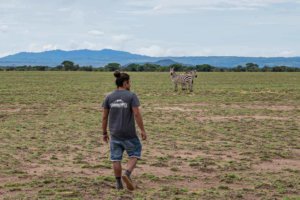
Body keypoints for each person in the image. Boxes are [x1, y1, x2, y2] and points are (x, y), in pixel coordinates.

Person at [102, 70, 147, 190]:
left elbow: (104, 116)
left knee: (116, 158)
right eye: (129, 82)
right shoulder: (131, 96)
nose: (130, 85)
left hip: (114, 133)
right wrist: (142, 130)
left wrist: (104, 132)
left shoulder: (109, 97)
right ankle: (127, 174)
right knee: (135, 153)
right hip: (129, 133)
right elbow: (137, 114)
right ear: (125, 83)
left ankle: (118, 184)